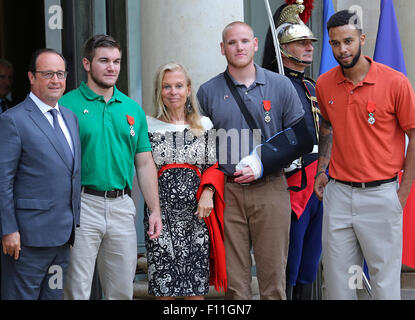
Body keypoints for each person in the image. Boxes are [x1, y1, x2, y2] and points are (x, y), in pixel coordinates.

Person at [197, 21, 310, 300]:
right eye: (232, 43)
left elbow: (302, 138)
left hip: (271, 188)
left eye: (245, 41)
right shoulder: (207, 92)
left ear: (256, 44)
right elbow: (202, 148)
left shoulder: (281, 85)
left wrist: (262, 162)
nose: (239, 47)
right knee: (235, 284)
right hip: (228, 192)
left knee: (273, 281)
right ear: (223, 48)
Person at [314, 9, 415, 300]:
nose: (342, 49)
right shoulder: (324, 84)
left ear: (362, 39)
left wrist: (402, 195)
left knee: (384, 286)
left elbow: (413, 136)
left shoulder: (395, 83)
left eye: (348, 41)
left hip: (382, 195)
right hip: (339, 197)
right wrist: (322, 169)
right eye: (335, 43)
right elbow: (328, 124)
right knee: (339, 286)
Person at [60, 34, 162, 300]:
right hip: (81, 206)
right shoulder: (66, 105)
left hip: (121, 206)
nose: (111, 67)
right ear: (86, 63)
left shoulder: (131, 108)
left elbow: (144, 162)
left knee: (121, 291)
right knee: (77, 290)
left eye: (116, 61)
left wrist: (154, 209)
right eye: (104, 60)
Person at [0, 48, 81, 299]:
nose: (55, 80)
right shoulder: (13, 120)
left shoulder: (70, 117)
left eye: (60, 73)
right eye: (47, 74)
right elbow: (3, 180)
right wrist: (8, 229)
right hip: (27, 239)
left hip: (63, 236)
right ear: (31, 77)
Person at [145, 62, 226, 300]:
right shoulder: (147, 125)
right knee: (164, 289)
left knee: (195, 290)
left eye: (179, 86)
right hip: (160, 216)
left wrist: (208, 193)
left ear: (189, 89)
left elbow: (215, 165)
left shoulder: (205, 124)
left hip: (197, 216)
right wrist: (154, 210)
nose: (173, 92)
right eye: (166, 87)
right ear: (159, 91)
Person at [262, 2, 323, 300]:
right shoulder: (272, 87)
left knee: (309, 264)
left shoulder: (312, 86)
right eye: (300, 42)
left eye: (309, 42)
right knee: (288, 264)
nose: (308, 47)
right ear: (282, 48)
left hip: (319, 183)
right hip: (290, 184)